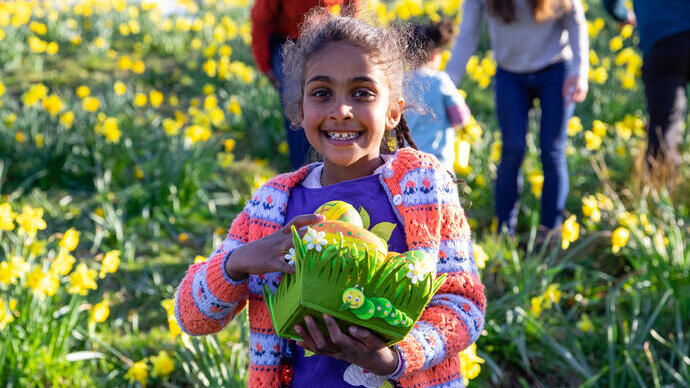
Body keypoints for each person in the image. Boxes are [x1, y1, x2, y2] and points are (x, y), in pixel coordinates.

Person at [175, 11, 486, 388]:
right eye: (322, 93)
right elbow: (192, 316)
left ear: (393, 111)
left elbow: (463, 306)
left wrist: (394, 358)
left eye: (362, 93)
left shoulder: (424, 186)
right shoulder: (271, 207)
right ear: (300, 110)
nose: (341, 110)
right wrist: (239, 261)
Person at [446, 0, 589, 235]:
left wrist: (579, 72)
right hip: (510, 75)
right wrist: (447, 84)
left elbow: (575, 19)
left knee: (552, 152)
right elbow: (468, 34)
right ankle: (504, 233)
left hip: (555, 70)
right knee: (512, 150)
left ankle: (549, 234)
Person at [250, 0, 360, 170]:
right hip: (287, 44)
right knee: (298, 114)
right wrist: (265, 65)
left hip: (324, 37)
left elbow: (352, 8)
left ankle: (336, 170)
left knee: (331, 104)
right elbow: (260, 19)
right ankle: (303, 177)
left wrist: (352, 44)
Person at [602, 0, 690, 178]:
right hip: (667, 34)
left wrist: (621, 13)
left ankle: (662, 193)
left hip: (662, 38)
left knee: (663, 128)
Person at [404, 20, 472, 172]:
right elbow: (461, 118)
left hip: (406, 163)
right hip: (438, 163)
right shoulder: (440, 80)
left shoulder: (401, 82)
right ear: (435, 55)